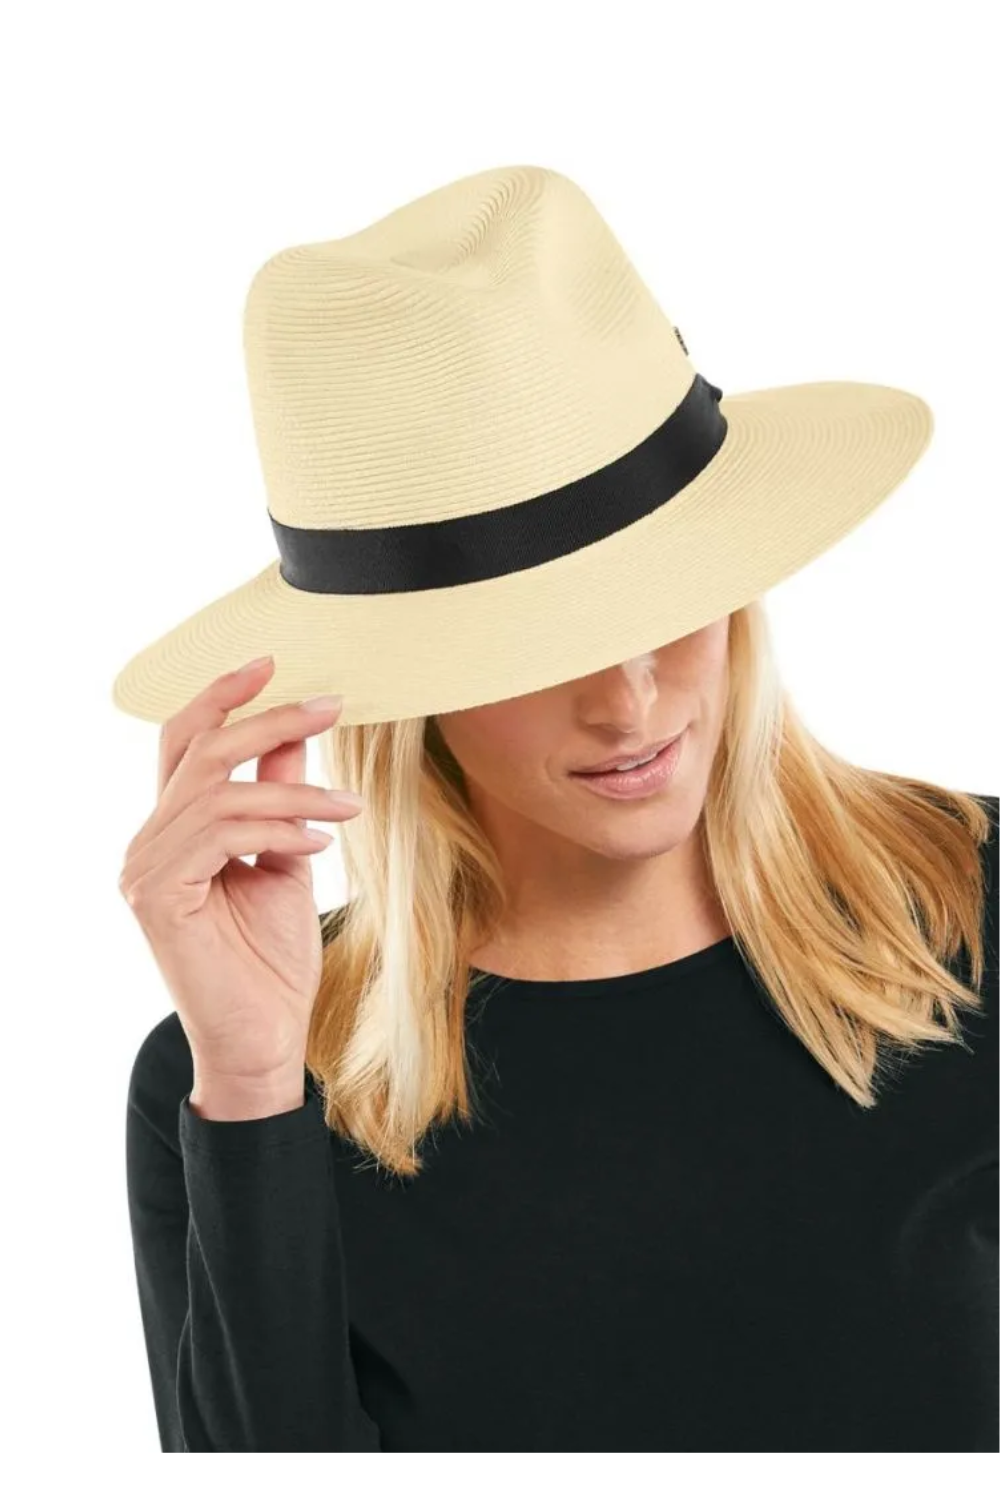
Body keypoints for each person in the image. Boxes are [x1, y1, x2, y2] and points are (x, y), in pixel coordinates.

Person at [114, 164, 998, 1452]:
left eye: (667, 599)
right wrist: (254, 1088)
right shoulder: (241, 1086)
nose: (630, 701)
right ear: (408, 684)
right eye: (540, 645)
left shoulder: (976, 907)